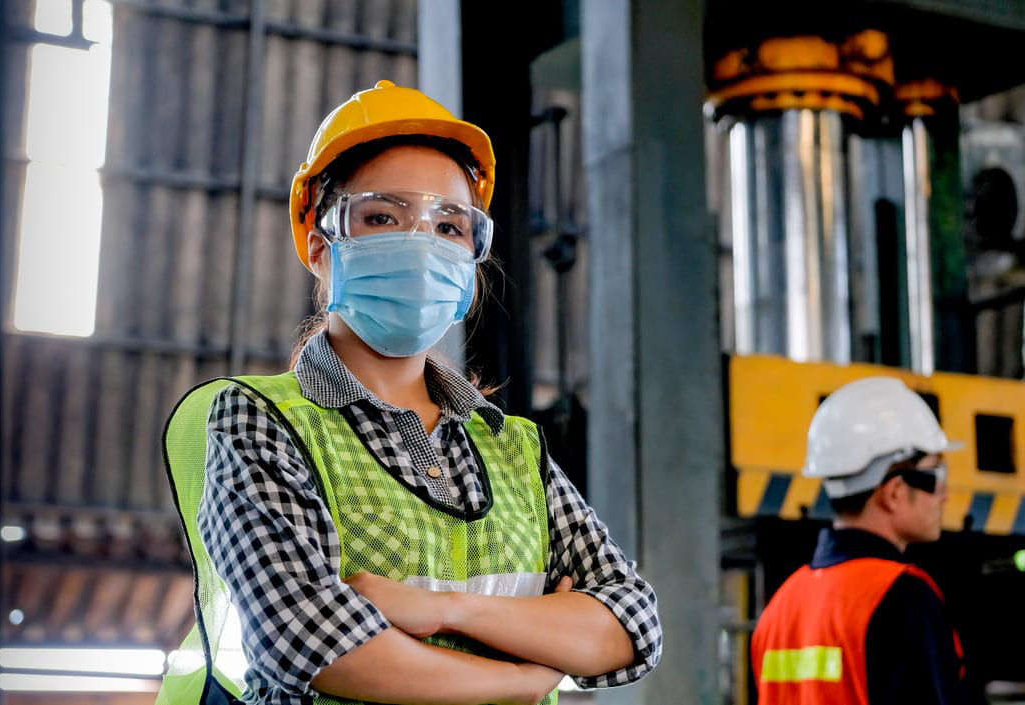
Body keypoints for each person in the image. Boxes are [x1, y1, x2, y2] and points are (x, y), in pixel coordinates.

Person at [159, 81, 660, 705]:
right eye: (381, 216)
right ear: (320, 246)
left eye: (449, 226)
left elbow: (633, 623)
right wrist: (530, 674)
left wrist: (444, 610)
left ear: (471, 265)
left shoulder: (513, 450)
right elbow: (313, 644)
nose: (420, 243)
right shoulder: (263, 422)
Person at [751, 376, 965, 705]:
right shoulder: (903, 597)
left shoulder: (780, 609)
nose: (945, 495)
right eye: (936, 474)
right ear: (893, 492)